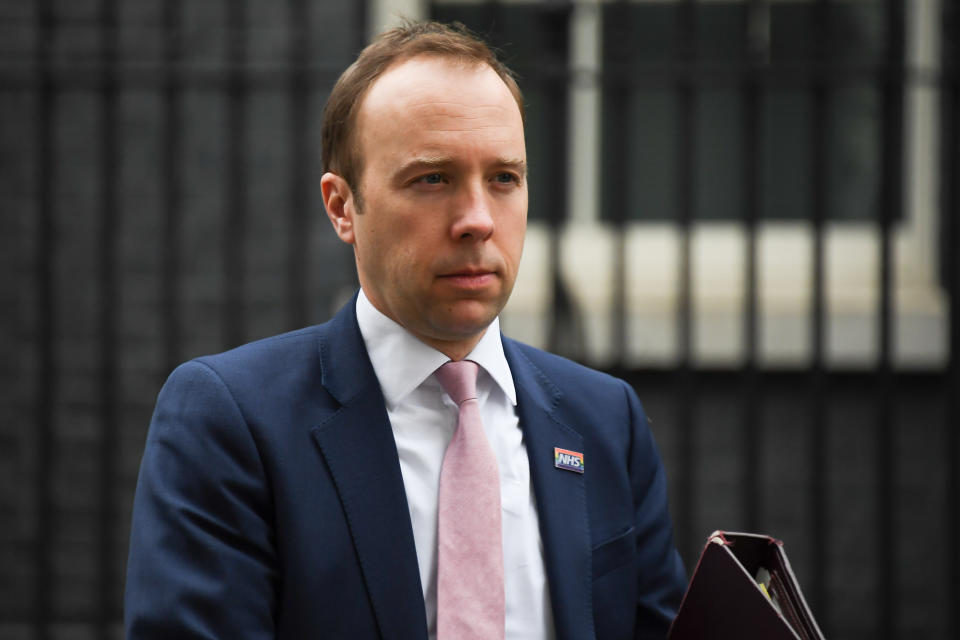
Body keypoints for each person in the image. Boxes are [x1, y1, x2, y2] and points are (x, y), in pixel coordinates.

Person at [124, 20, 686, 640]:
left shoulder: (607, 419)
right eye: (433, 179)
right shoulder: (231, 419)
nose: (477, 220)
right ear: (343, 207)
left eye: (503, 178)